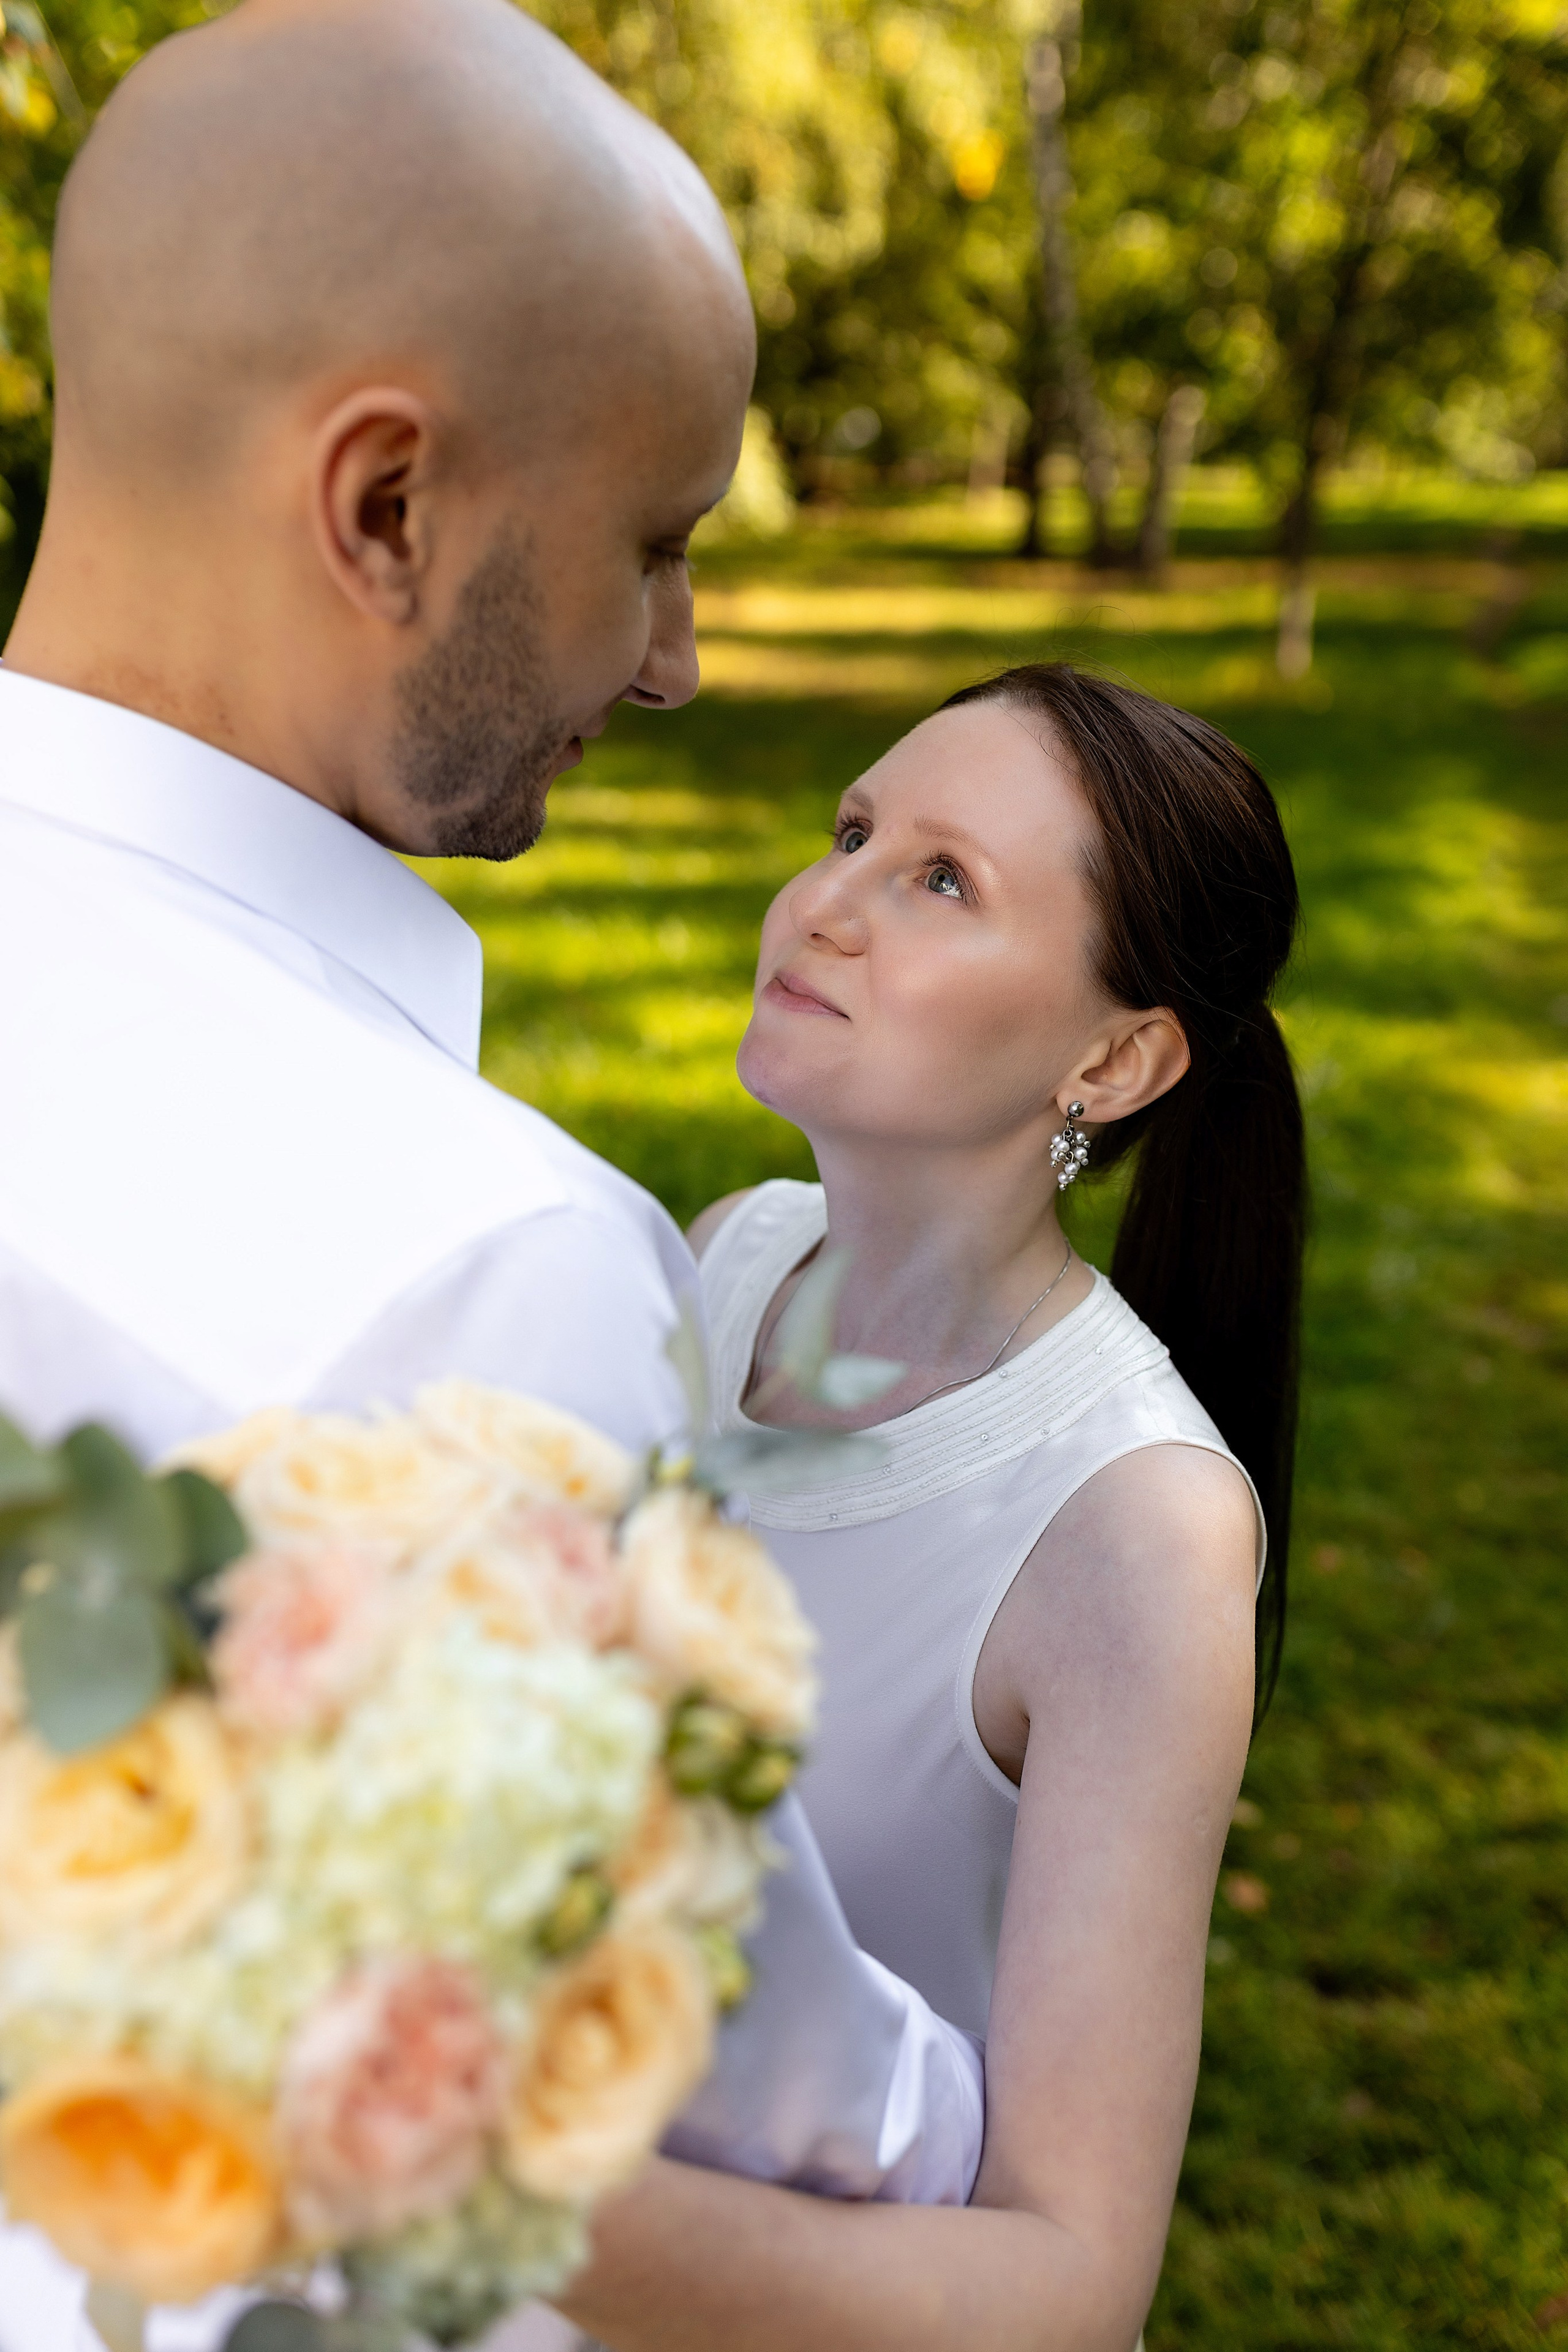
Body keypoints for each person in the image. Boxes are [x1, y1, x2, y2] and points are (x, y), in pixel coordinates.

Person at [0, 6, 979, 2350]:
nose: (675, 660)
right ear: (386, 508)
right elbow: (762, 2103)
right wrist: (966, 2107)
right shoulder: (481, 1261)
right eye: (651, 546)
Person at [550, 663, 1307, 2352]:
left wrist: (535, 2215)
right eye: (852, 831)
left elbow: (1068, 2275)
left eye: (940, 879)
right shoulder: (726, 1256)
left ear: (1116, 1059)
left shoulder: (1134, 1529)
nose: (823, 904)